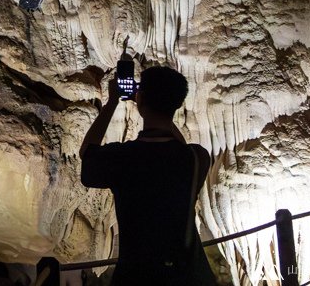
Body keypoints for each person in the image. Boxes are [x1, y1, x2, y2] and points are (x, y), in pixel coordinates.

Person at [79, 66, 215, 285]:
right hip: (185, 276)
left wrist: (112, 102)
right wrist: (158, 108)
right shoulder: (198, 158)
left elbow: (87, 152)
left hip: (136, 275)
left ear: (140, 100)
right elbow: (180, 148)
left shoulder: (122, 158)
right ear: (178, 104)